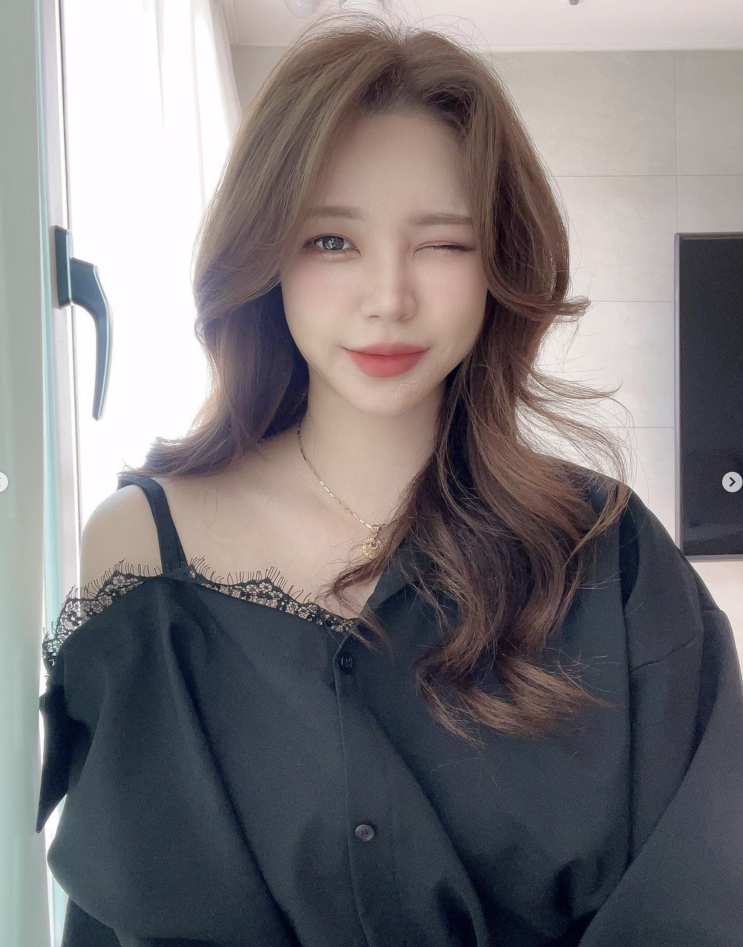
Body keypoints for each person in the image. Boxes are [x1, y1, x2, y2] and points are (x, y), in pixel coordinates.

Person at [36, 10, 743, 947]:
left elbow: (700, 893)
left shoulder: (605, 552)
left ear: (499, 263)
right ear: (266, 254)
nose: (388, 298)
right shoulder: (138, 550)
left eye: (442, 243)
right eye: (331, 240)